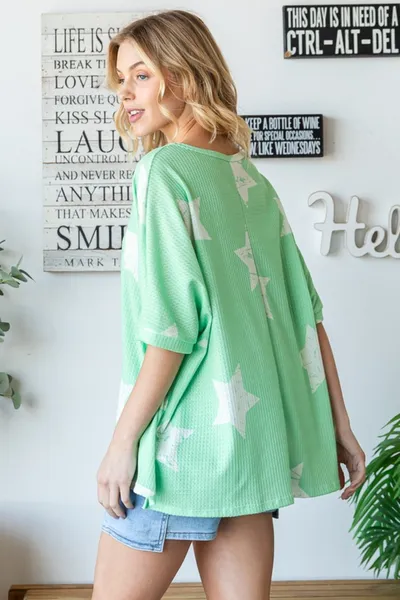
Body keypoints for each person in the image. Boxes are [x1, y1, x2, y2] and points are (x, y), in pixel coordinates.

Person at [91, 9, 366, 600]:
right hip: (249, 452)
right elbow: (306, 319)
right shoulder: (251, 181)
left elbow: (171, 330)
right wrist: (339, 426)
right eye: (122, 80)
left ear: (184, 74)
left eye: (141, 75)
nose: (125, 94)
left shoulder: (163, 172)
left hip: (175, 452)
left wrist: (121, 445)